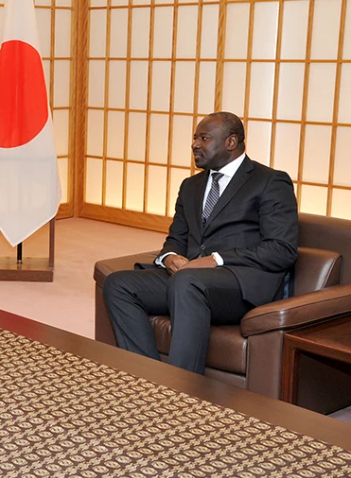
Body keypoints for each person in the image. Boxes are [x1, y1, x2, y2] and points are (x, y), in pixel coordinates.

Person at [103, 111, 299, 374]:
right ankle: (146, 380)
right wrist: (170, 257)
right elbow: (176, 238)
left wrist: (216, 260)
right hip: (191, 281)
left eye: (204, 138)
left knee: (188, 282)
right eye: (195, 138)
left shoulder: (269, 182)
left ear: (231, 142)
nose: (195, 144)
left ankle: (181, 392)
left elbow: (282, 249)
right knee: (119, 284)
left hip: (240, 287)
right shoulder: (191, 186)